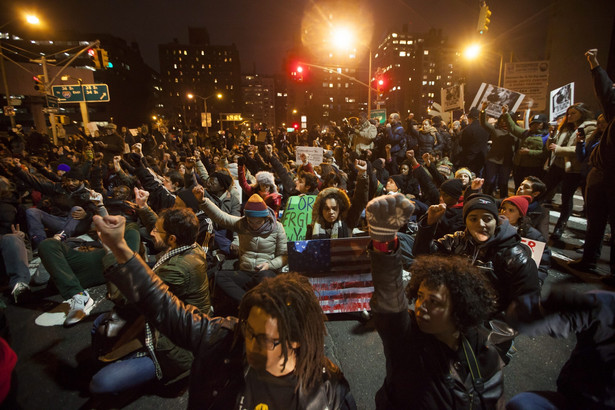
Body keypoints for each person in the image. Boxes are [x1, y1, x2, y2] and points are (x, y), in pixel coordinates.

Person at [92, 213, 356, 409]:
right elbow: (163, 305)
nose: (249, 346)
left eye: (264, 339)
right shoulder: (223, 340)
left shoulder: (328, 394)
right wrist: (120, 249)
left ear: (295, 339)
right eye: (248, 331)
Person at [365, 194, 504, 409]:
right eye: (419, 297)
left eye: (434, 302)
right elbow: (390, 295)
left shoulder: (485, 355)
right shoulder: (406, 340)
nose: (420, 308)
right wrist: (383, 242)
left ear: (460, 307)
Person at [90, 205, 210, 395]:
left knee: (101, 383)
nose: (152, 231)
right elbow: (166, 228)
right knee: (100, 323)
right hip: (169, 321)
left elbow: (121, 298)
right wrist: (145, 208)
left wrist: (110, 250)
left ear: (172, 239)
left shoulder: (178, 268)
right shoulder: (189, 247)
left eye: (157, 229)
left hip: (175, 347)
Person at [413, 193, 540, 315]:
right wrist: (429, 224)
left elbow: (524, 309)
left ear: (496, 221)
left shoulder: (516, 258)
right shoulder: (456, 241)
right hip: (452, 317)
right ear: (466, 222)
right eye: (473, 218)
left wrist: (483, 331)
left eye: (487, 218)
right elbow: (423, 256)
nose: (480, 224)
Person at [505, 288, 615, 409]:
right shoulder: (606, 305)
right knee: (523, 404)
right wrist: (542, 309)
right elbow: (521, 318)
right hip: (577, 398)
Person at [570, 49, 615, 283]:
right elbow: (607, 93)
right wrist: (595, 65)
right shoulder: (613, 109)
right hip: (600, 173)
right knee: (595, 222)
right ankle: (588, 260)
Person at [194, 191, 287, 305]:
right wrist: (204, 202)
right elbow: (221, 217)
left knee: (265, 278)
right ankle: (247, 303)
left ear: (265, 218)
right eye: (250, 221)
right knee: (220, 277)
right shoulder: (242, 224)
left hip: (266, 272)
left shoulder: (277, 227)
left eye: (258, 222)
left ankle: (252, 304)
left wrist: (269, 265)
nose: (253, 225)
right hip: (245, 272)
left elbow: (284, 256)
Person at [542, 102, 596, 241]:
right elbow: (552, 146)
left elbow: (582, 148)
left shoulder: (590, 127)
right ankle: (534, 221)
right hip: (557, 165)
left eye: (573, 113)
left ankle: (559, 228)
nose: (570, 116)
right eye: (568, 113)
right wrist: (552, 136)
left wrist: (559, 150)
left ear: (582, 113)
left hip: (573, 169)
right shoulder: (565, 127)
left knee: (566, 199)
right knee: (542, 191)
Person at [306, 160, 368, 239]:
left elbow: (360, 200)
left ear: (340, 209)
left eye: (334, 208)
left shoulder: (347, 222)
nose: (331, 212)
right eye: (326, 209)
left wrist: (362, 174)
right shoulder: (312, 228)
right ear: (320, 210)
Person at [499, 195, 551, 286]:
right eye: (503, 208)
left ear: (520, 214)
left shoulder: (533, 236)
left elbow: (542, 263)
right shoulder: (494, 229)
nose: (504, 212)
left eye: (511, 210)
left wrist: (537, 280)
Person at [479, 102, 517, 198]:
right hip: (493, 160)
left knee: (503, 183)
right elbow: (484, 123)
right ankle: (487, 199)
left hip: (507, 161)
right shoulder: (495, 130)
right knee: (490, 181)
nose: (504, 122)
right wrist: (483, 110)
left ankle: (503, 202)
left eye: (506, 120)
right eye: (502, 119)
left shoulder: (516, 131)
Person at [455, 107, 490, 176]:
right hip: (483, 156)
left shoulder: (468, 129)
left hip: (470, 158)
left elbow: (462, 143)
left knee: (471, 175)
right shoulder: (486, 128)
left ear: (470, 118)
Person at [516, 176, 550, 241]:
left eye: (526, 187)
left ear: (535, 193)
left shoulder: (542, 213)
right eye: (521, 185)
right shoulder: (506, 202)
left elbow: (543, 239)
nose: (520, 188)